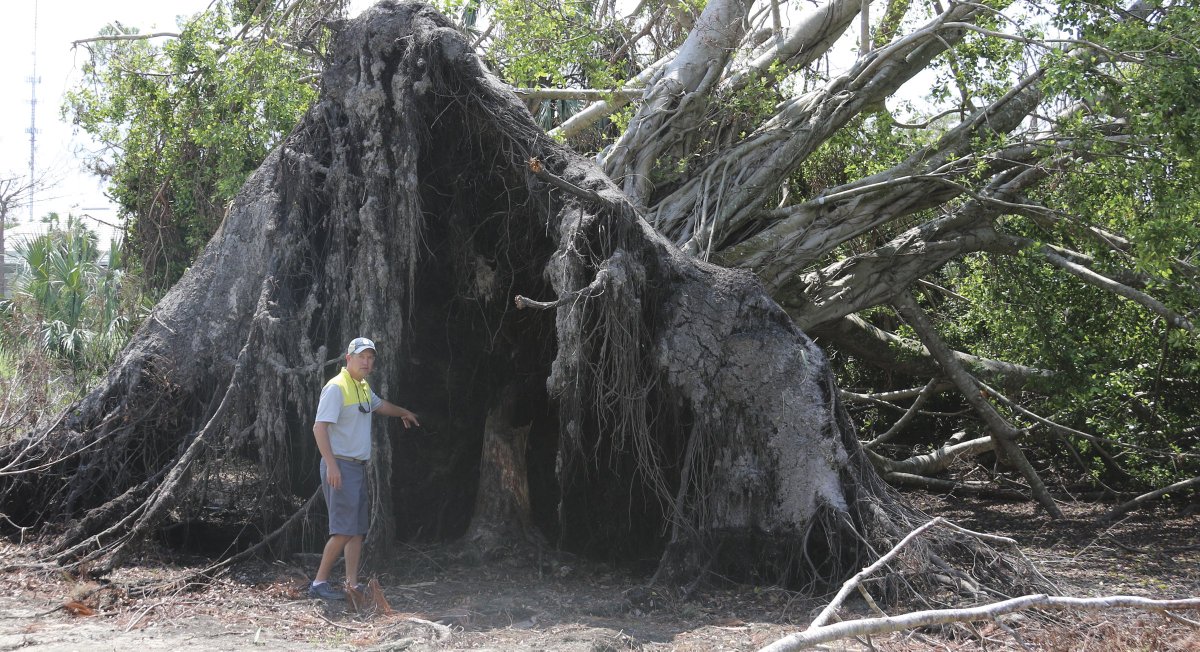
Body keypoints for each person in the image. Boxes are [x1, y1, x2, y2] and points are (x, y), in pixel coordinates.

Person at [308, 337, 420, 600]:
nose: (367, 362)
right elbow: (319, 428)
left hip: (356, 468)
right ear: (349, 358)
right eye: (362, 357)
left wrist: (403, 411)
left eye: (370, 358)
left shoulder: (362, 386)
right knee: (343, 530)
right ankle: (319, 583)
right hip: (340, 466)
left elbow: (380, 406)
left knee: (356, 531)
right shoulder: (336, 388)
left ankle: (351, 584)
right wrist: (332, 466)